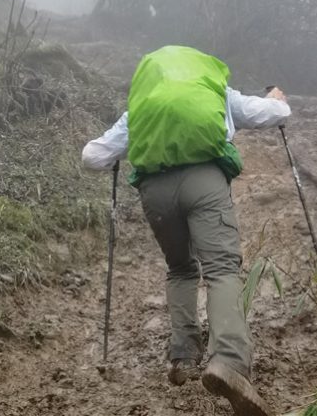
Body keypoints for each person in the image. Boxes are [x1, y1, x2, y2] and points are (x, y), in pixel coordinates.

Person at [82, 45, 289, 416]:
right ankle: (228, 362)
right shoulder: (215, 92)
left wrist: (122, 152)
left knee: (180, 267)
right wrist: (277, 100)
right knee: (222, 269)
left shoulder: (142, 111)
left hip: (155, 193)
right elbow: (269, 114)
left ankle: (182, 357)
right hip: (205, 183)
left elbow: (93, 156)